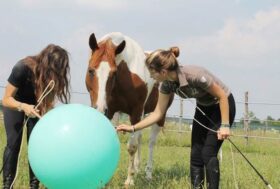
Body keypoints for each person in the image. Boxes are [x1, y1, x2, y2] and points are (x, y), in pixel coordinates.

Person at [116, 47, 236, 189]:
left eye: (152, 72)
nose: (151, 76)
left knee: (208, 153)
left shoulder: (195, 75)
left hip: (222, 106)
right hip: (203, 107)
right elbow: (157, 113)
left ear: (163, 72)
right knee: (196, 155)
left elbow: (222, 95)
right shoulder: (166, 85)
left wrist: (225, 126)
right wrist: (132, 127)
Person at [2, 44, 70, 189]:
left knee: (35, 146)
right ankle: (8, 184)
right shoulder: (21, 68)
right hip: (15, 105)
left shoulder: (51, 78)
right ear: (47, 63)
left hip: (36, 108)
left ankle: (34, 185)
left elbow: (49, 103)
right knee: (13, 144)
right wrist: (23, 106)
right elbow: (6, 99)